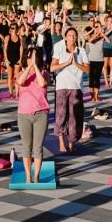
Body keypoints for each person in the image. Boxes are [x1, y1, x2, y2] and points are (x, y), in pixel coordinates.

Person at [51, 26, 89, 154]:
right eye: (70, 35)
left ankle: (71, 142)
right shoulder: (59, 49)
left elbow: (87, 69)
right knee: (61, 115)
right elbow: (52, 67)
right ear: (65, 38)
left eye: (74, 35)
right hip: (62, 85)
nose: (72, 38)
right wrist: (67, 63)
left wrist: (75, 64)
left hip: (76, 87)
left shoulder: (81, 51)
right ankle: (61, 142)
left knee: (74, 116)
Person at [16, 48, 49, 183]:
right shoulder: (20, 74)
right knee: (26, 146)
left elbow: (42, 83)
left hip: (41, 113)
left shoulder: (44, 73)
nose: (31, 59)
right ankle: (28, 175)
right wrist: (29, 66)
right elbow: (20, 82)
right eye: (29, 57)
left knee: (38, 147)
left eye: (34, 57)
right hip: (24, 113)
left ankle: (36, 175)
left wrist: (35, 67)